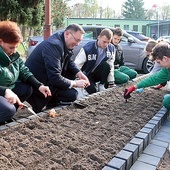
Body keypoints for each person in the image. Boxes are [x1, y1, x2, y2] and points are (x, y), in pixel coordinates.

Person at [25, 24, 90, 110]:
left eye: (79, 41)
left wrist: (79, 73)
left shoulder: (62, 41)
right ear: (67, 34)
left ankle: (51, 102)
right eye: (76, 40)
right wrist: (75, 83)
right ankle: (48, 102)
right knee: (72, 94)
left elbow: (68, 60)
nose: (77, 44)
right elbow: (54, 77)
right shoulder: (54, 45)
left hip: (46, 78)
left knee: (72, 75)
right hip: (37, 83)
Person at [0, 20, 51, 125]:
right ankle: (5, 113)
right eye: (11, 47)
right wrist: (4, 91)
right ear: (1, 41)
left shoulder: (13, 55)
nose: (14, 50)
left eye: (16, 47)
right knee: (8, 110)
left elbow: (23, 70)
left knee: (26, 89)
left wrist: (39, 85)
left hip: (5, 89)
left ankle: (5, 115)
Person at [124, 42, 170, 110]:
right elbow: (154, 79)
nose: (159, 65)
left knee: (167, 101)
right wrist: (134, 87)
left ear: (165, 58)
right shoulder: (167, 69)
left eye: (159, 62)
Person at [74, 28, 115, 94]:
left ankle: (101, 85)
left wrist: (111, 81)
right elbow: (77, 64)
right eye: (104, 42)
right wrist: (76, 80)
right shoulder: (88, 48)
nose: (106, 45)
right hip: (86, 74)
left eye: (108, 42)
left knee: (107, 65)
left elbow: (111, 65)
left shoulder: (111, 48)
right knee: (92, 91)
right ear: (99, 37)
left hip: (97, 72)